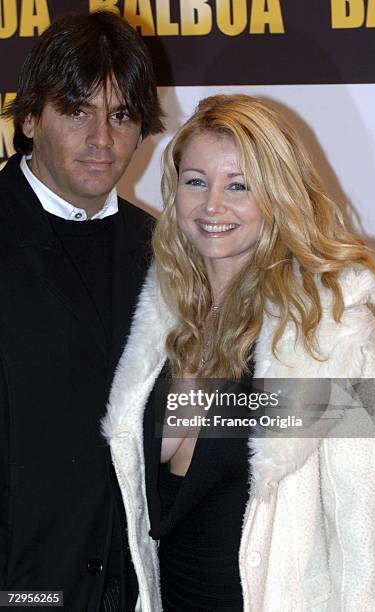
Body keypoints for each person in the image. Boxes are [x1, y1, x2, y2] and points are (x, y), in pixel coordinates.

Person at [104, 95, 375, 611]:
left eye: (238, 185)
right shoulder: (162, 311)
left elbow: (371, 534)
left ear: (277, 194)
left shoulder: (334, 325)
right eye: (196, 180)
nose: (212, 205)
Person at [0, 11, 163, 612]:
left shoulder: (170, 250)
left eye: (121, 115)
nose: (103, 139)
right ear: (31, 116)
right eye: (78, 111)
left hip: (145, 590)